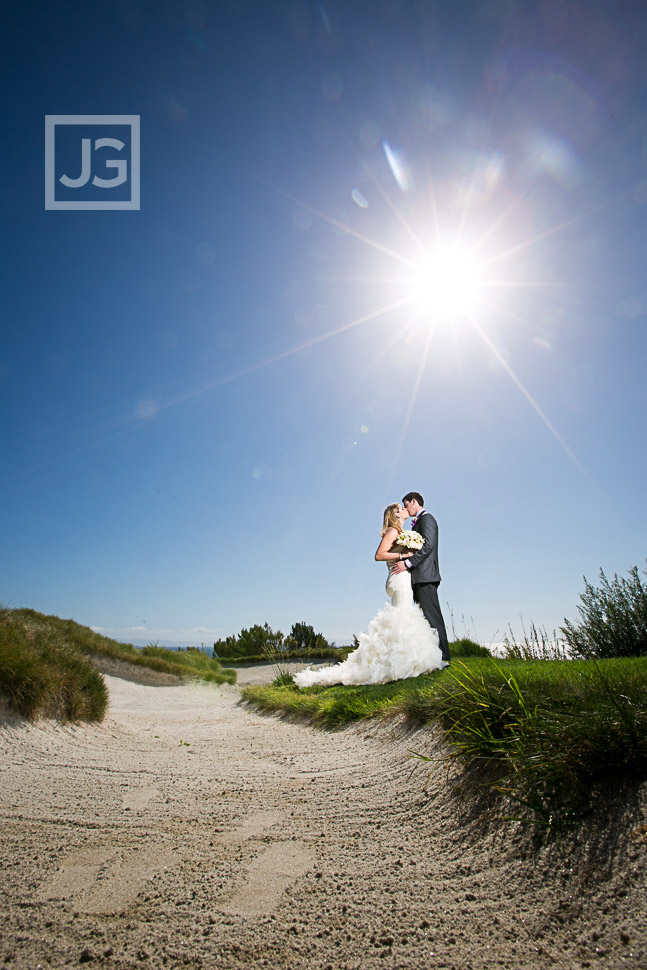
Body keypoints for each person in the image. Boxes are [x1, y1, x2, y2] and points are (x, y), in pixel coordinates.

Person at [294, 502, 445, 687]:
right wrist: (402, 556)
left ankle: (403, 660)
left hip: (403, 579)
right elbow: (379, 555)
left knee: (403, 619)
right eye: (402, 508)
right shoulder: (393, 531)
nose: (406, 510)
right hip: (398, 580)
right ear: (396, 514)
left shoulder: (401, 532)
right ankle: (399, 664)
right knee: (402, 618)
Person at [390, 491, 450, 663]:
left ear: (414, 501)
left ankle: (444, 657)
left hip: (426, 575)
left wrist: (407, 563)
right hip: (418, 577)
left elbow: (429, 546)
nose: (406, 509)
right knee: (424, 619)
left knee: (433, 617)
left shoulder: (427, 519)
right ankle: (431, 656)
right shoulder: (418, 522)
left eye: (406, 504)